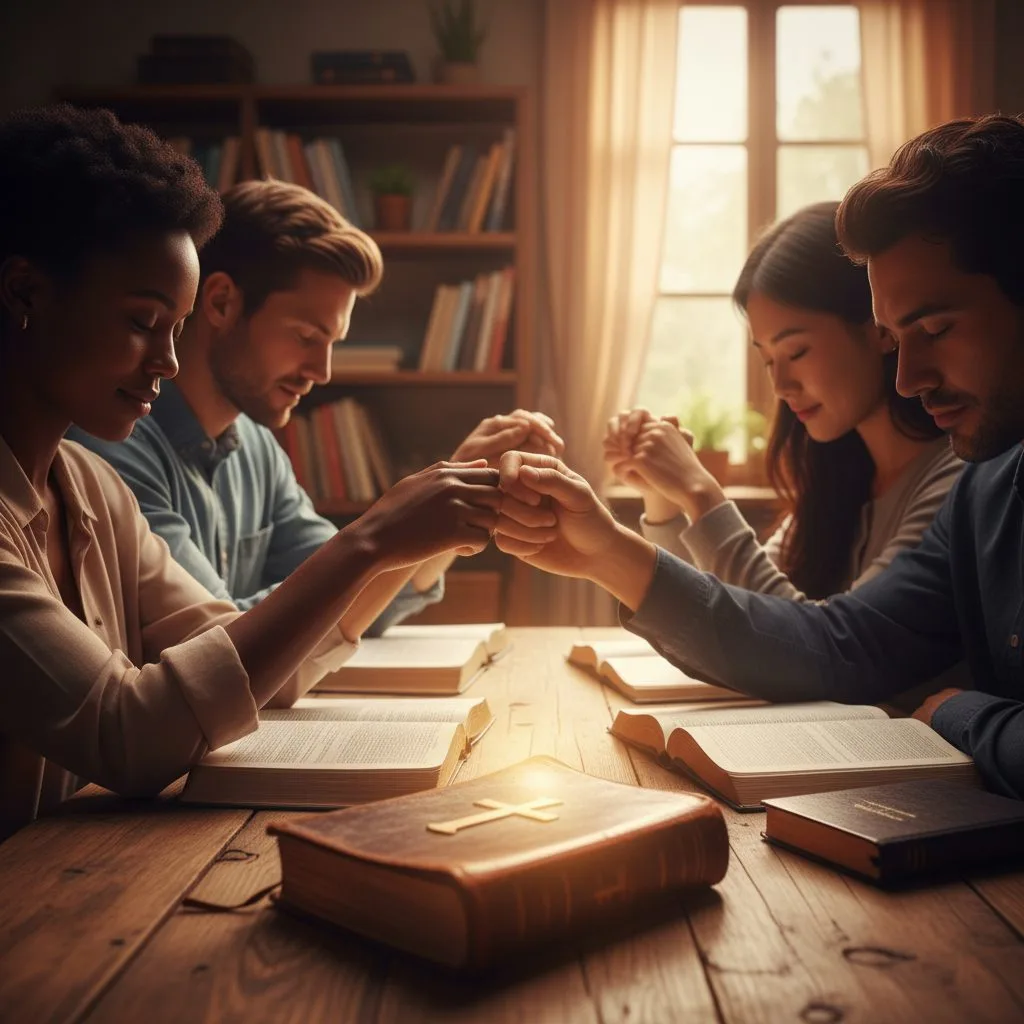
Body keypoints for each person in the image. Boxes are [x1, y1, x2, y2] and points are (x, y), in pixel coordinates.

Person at [0, 105, 545, 838]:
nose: (165, 361)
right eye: (141, 321)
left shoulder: (91, 489)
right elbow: (126, 734)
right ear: (26, 294)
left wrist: (415, 527)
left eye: (175, 327)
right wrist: (373, 538)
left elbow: (252, 661)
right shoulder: (115, 461)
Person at [495, 114, 1024, 799]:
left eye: (935, 329)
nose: (908, 378)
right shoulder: (987, 480)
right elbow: (835, 646)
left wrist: (962, 713)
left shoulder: (957, 471)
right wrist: (604, 551)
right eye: (900, 335)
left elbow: (818, 642)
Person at [72, 179, 562, 640]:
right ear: (220, 303)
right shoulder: (113, 451)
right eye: (306, 337)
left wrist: (456, 495)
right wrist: (388, 535)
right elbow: (218, 648)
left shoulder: (258, 448)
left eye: (332, 343)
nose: (322, 371)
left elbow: (358, 602)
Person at [604, 202, 961, 603]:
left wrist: (700, 490)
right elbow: (726, 616)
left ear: (879, 327)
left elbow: (820, 646)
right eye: (768, 360)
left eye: (796, 352)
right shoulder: (839, 480)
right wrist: (664, 499)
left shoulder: (955, 480)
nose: (780, 385)